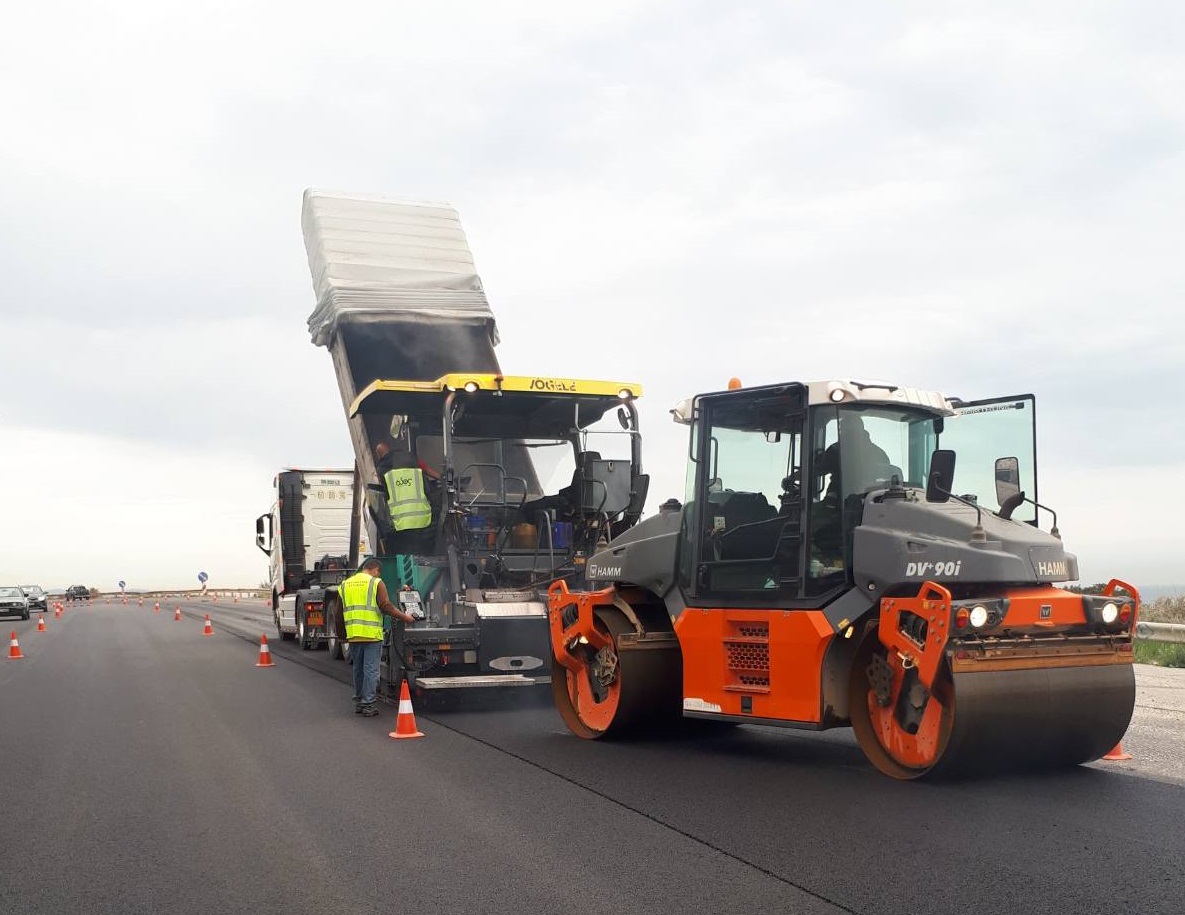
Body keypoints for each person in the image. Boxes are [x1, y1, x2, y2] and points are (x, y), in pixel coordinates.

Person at [340, 556, 417, 717]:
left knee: (358, 669)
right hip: (371, 635)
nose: (378, 575)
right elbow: (386, 606)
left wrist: (343, 635)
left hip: (353, 635)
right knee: (370, 670)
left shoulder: (345, 584)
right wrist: (405, 617)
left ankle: (360, 702)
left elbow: (339, 612)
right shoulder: (375, 583)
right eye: (378, 572)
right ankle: (368, 705)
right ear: (375, 569)